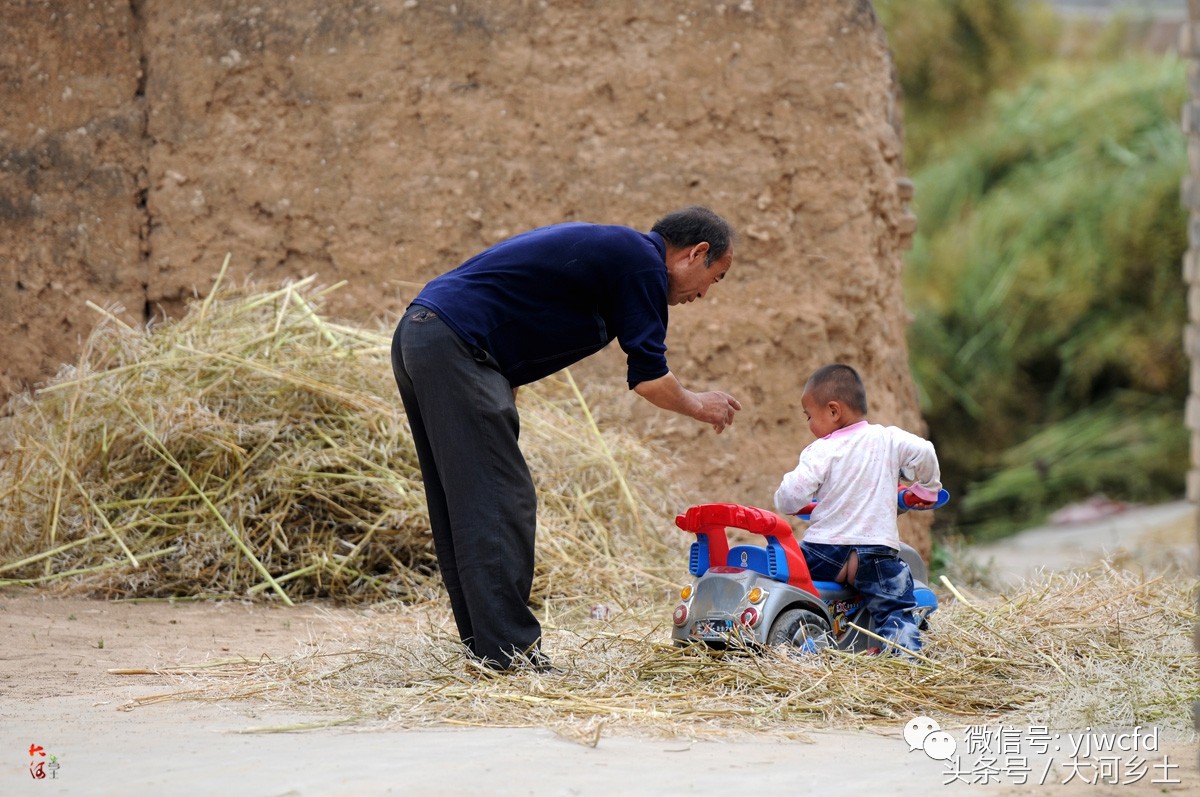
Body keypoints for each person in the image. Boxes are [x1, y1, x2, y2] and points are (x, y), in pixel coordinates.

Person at [391, 206, 742, 671]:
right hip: (455, 345)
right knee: (500, 500)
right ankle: (508, 654)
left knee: (465, 500)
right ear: (696, 253)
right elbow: (649, 378)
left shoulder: (619, 254)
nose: (704, 294)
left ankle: (487, 648)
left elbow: (515, 306)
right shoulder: (642, 264)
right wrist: (701, 404)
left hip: (425, 336)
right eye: (714, 278)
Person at [772, 363, 941, 654]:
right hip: (875, 552)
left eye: (809, 416)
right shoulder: (890, 439)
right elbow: (925, 451)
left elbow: (790, 496)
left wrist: (787, 503)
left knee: (789, 576)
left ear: (834, 411)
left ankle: (802, 630)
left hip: (826, 550)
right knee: (896, 609)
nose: (809, 424)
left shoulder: (822, 449)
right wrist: (927, 489)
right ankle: (905, 662)